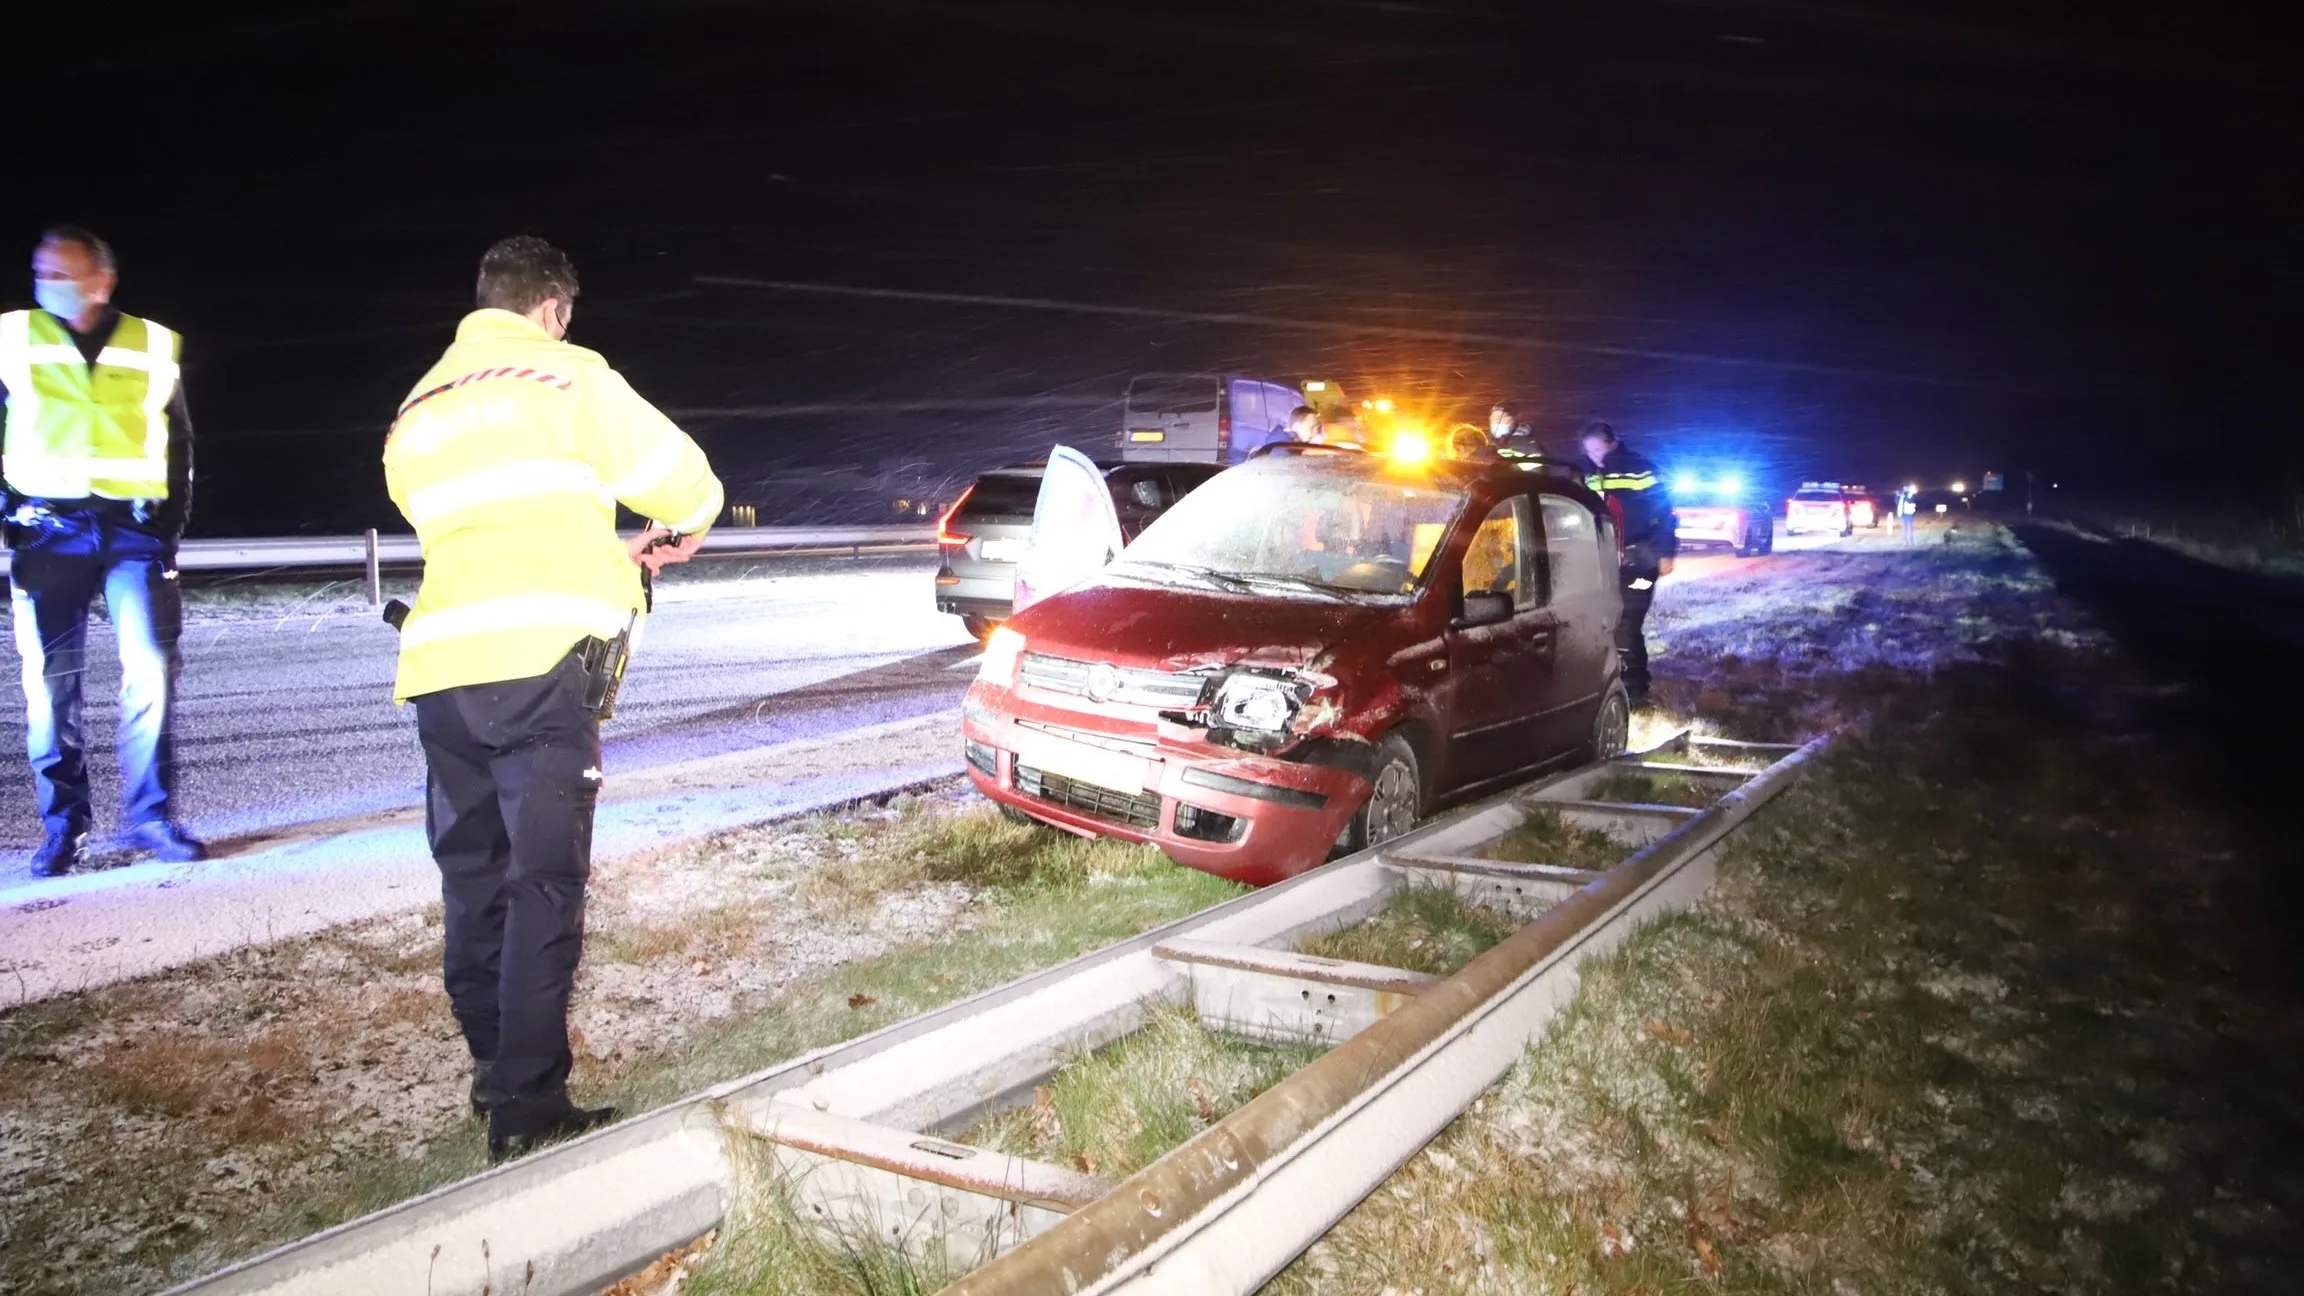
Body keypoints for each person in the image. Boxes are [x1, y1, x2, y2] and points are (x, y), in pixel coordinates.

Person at [385, 236, 723, 1161]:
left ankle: (493, 1071)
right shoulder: (567, 376)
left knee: (474, 884)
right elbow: (683, 479)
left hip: (440, 673)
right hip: (537, 671)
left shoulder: (418, 404)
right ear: (553, 309)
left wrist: (594, 548)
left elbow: (481, 522)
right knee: (544, 887)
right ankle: (529, 1109)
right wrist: (686, 527)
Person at [2, 227, 202, 876]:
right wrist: (8, 518)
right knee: (50, 688)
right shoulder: (12, 338)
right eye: (41, 272)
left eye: (61, 273)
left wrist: (168, 527)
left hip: (133, 536)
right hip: (46, 535)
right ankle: (64, 830)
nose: (47, 284)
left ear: (102, 281)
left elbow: (179, 441)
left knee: (151, 677)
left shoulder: (154, 343)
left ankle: (152, 819)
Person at [1577, 419, 1675, 706]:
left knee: (1628, 623)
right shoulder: (1587, 472)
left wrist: (1665, 553)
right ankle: (1613, 683)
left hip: (1641, 564)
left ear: (1612, 443)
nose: (1595, 456)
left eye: (1598, 449)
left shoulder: (1641, 468)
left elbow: (1666, 513)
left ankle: (1636, 691)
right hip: (1605, 563)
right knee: (1605, 624)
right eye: (1589, 451)